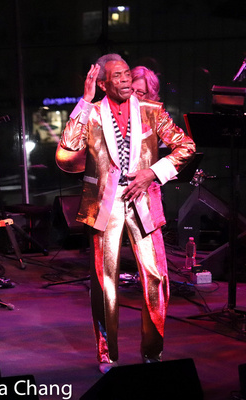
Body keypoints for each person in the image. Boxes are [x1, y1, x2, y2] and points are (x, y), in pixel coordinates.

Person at [57, 54, 195, 373]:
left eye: (126, 74)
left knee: (157, 278)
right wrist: (85, 99)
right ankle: (108, 356)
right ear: (103, 83)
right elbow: (66, 150)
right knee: (106, 284)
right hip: (104, 203)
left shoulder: (151, 111)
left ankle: (152, 353)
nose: (124, 80)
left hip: (144, 199)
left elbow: (185, 146)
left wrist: (153, 172)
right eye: (116, 76)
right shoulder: (90, 113)